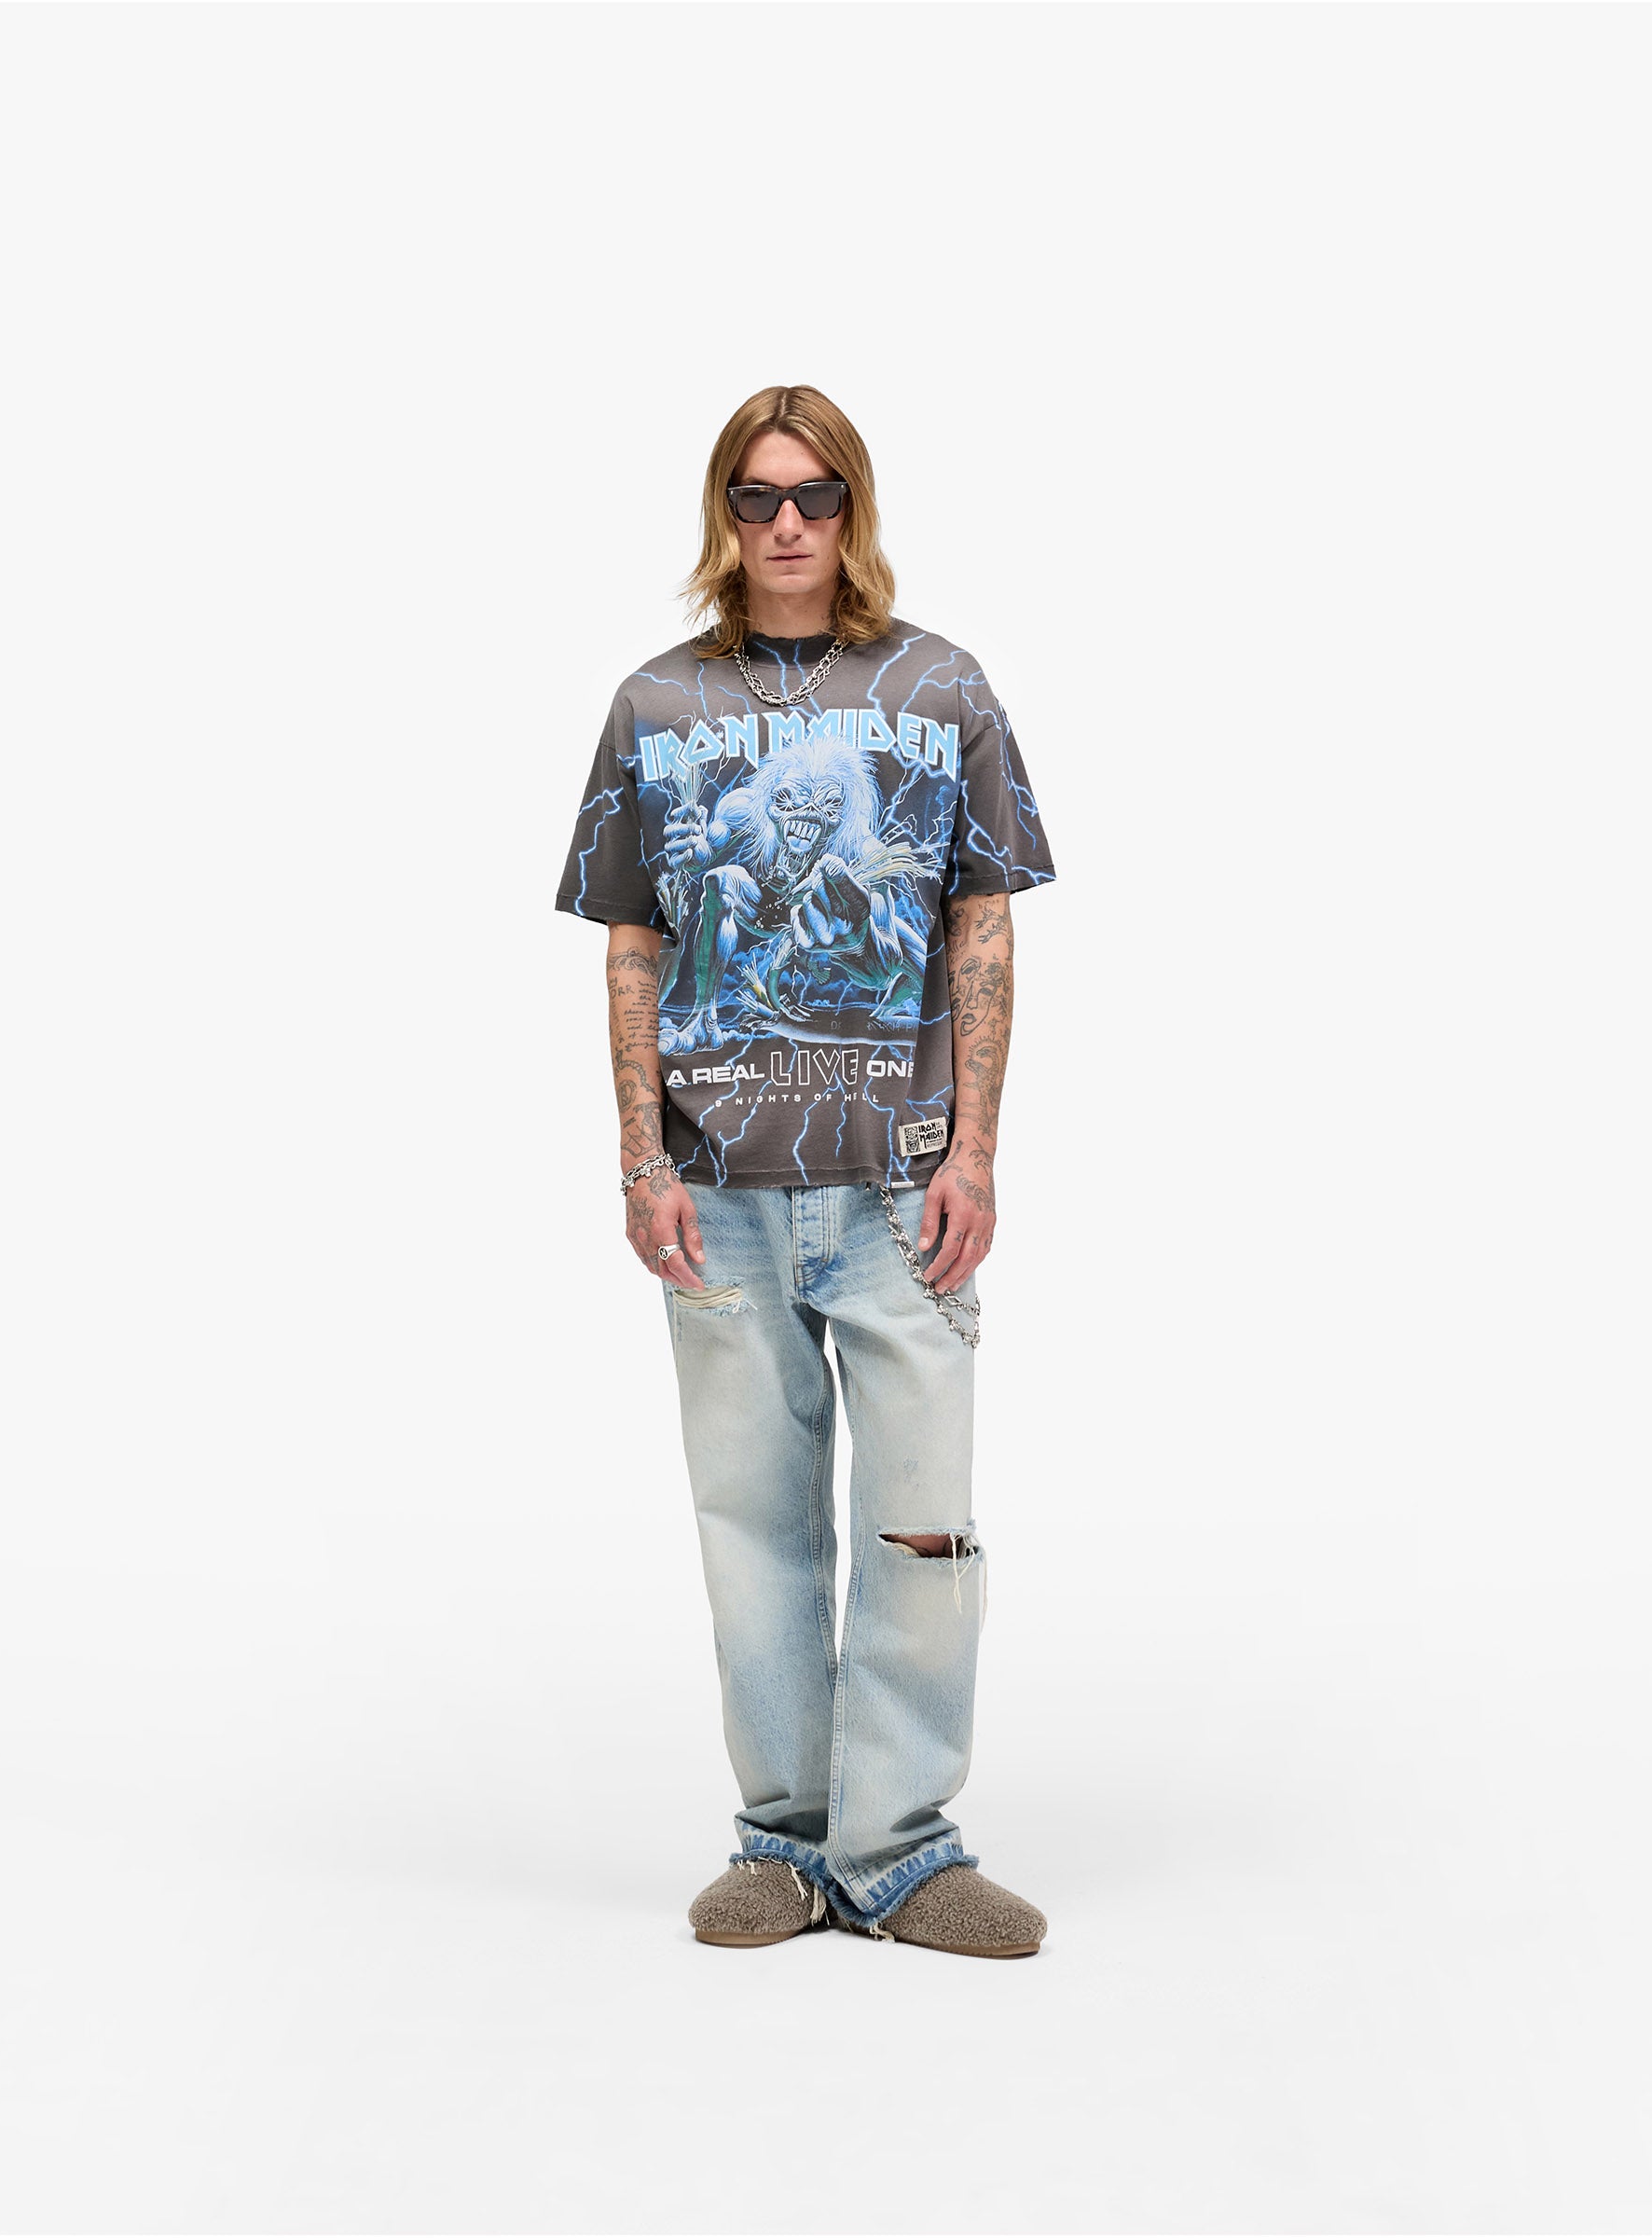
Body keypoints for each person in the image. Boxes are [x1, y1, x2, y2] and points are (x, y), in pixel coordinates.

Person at [553, 384, 1057, 1958]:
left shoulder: (942, 685)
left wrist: (978, 1151)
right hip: (720, 1185)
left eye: (817, 495)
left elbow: (983, 925)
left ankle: (901, 1853)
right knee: (754, 1526)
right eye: (760, 496)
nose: (788, 524)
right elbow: (632, 948)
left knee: (923, 1525)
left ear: (855, 510)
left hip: (901, 1182)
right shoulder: (656, 705)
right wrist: (640, 1160)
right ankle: (782, 1841)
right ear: (724, 512)